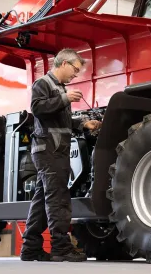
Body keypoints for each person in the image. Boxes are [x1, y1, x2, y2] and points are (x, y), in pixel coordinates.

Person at [20, 48, 101, 262]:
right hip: (49, 149)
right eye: (75, 69)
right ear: (63, 63)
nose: (76, 74)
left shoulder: (59, 88)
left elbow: (60, 120)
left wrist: (84, 124)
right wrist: (65, 99)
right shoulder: (43, 84)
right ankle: (60, 247)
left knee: (41, 201)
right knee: (58, 198)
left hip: (55, 149)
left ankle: (30, 248)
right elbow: (37, 108)